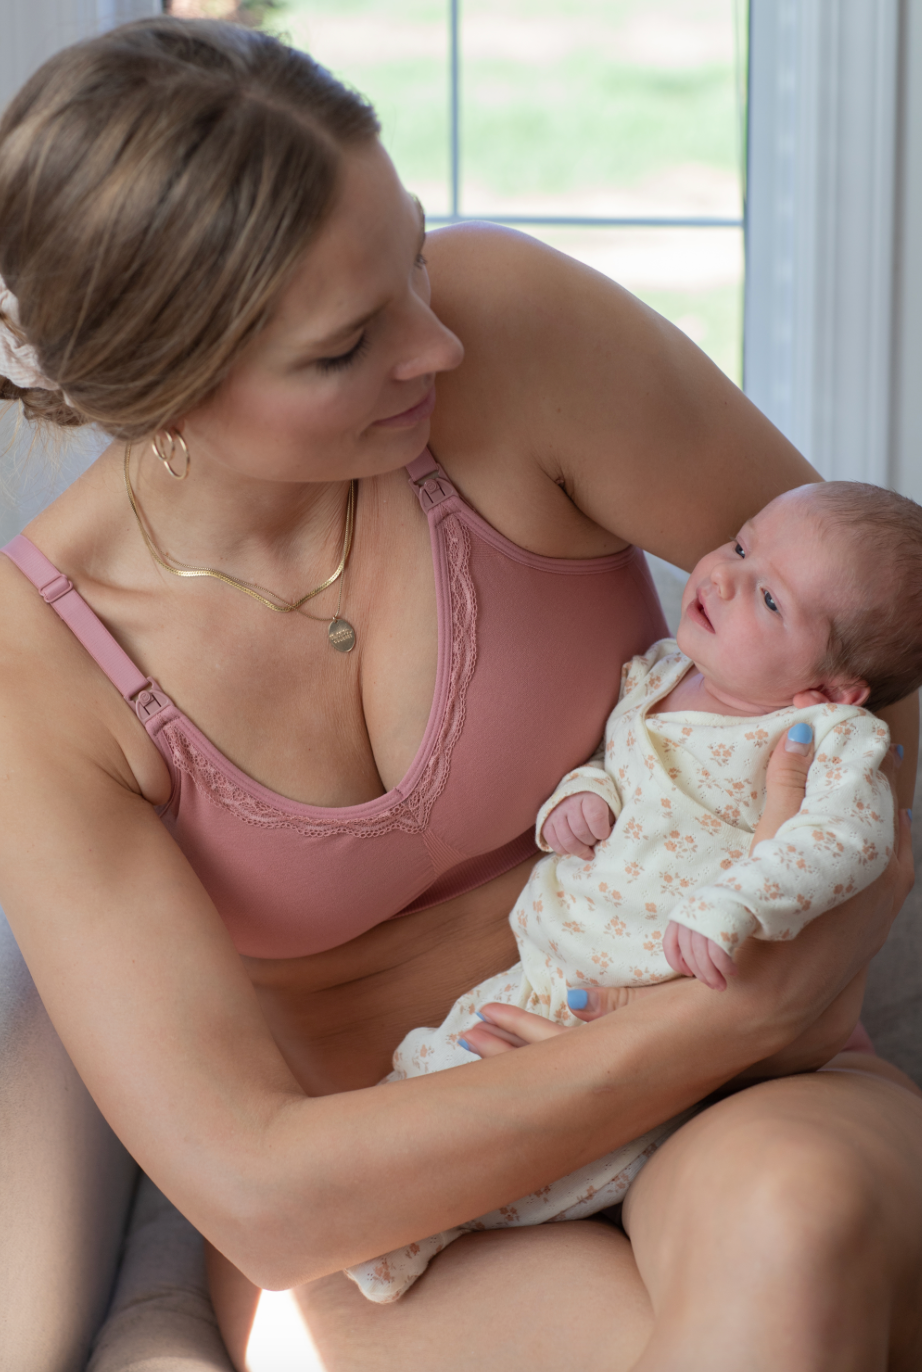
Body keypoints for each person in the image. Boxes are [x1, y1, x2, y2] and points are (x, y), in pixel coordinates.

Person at [0, 18, 919, 1371]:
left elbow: (885, 654)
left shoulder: (517, 335)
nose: (435, 344)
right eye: (346, 345)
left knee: (794, 1224)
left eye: (416, 256)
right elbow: (259, 1188)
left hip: (756, 1096)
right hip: (424, 1203)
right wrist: (718, 1018)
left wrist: (774, 999)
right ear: (170, 386)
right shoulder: (45, 669)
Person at [346, 479, 917, 1303]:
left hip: (655, 1003)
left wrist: (739, 900)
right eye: (742, 543)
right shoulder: (661, 673)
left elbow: (851, 840)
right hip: (550, 961)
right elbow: (618, 767)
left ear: (831, 689)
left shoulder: (828, 737)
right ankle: (373, 1209)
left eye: (768, 599)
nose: (721, 575)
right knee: (432, 1067)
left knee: (546, 1152)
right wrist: (583, 797)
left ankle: (404, 1238)